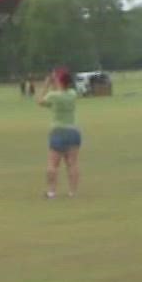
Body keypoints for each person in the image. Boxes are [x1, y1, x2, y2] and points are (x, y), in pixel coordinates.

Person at [38, 67, 83, 198]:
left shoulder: (53, 96)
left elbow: (40, 101)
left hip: (58, 131)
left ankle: (52, 192)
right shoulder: (72, 94)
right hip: (73, 131)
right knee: (72, 164)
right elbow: (63, 90)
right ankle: (73, 192)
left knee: (53, 164)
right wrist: (56, 83)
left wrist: (46, 85)